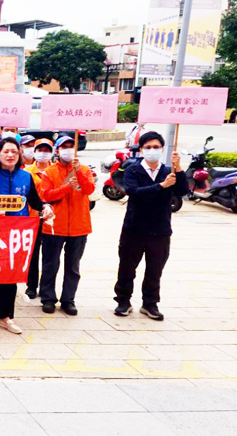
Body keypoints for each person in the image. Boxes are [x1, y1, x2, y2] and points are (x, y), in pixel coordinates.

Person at [113, 132, 188, 321]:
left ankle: (150, 303)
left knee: (155, 269)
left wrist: (178, 169)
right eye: (148, 147)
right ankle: (123, 301)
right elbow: (133, 192)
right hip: (134, 228)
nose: (152, 150)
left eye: (156, 147)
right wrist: (161, 186)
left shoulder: (169, 171)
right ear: (141, 150)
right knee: (127, 267)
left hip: (160, 229)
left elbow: (183, 191)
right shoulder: (133, 170)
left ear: (163, 149)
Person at [0, 139, 53, 334]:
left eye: (14, 151)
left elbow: (35, 201)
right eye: (6, 151)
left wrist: (46, 207)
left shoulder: (26, 176)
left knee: (11, 273)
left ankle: (6, 316)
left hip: (17, 232)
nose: (10, 155)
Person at [37, 135, 95, 316]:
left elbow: (89, 190)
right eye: (64, 147)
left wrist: (78, 173)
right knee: (50, 264)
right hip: (54, 226)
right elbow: (46, 195)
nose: (68, 150)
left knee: (73, 266)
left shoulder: (84, 169)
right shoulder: (50, 172)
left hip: (79, 226)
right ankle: (47, 298)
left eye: (71, 146)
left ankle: (68, 300)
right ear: (58, 150)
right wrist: (66, 187)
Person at [24, 138, 54, 299]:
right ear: (34, 152)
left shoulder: (56, 171)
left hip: (52, 218)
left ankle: (47, 288)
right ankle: (31, 285)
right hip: (33, 217)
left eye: (47, 150)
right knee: (33, 254)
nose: (43, 153)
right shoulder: (27, 172)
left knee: (50, 255)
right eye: (40, 150)